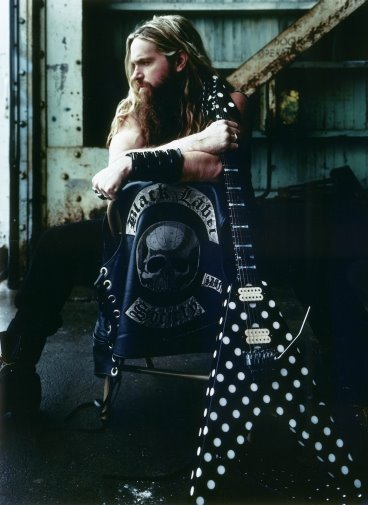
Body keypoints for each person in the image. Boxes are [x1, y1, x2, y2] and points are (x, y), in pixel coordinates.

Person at [0, 15, 248, 419]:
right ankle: (18, 367)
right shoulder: (134, 110)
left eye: (145, 62)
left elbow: (212, 168)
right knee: (54, 244)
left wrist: (140, 162)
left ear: (180, 60)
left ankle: (341, 371)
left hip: (211, 243)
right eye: (132, 64)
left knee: (311, 240)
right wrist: (197, 141)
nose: (135, 74)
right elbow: (118, 176)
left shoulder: (229, 101)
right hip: (132, 241)